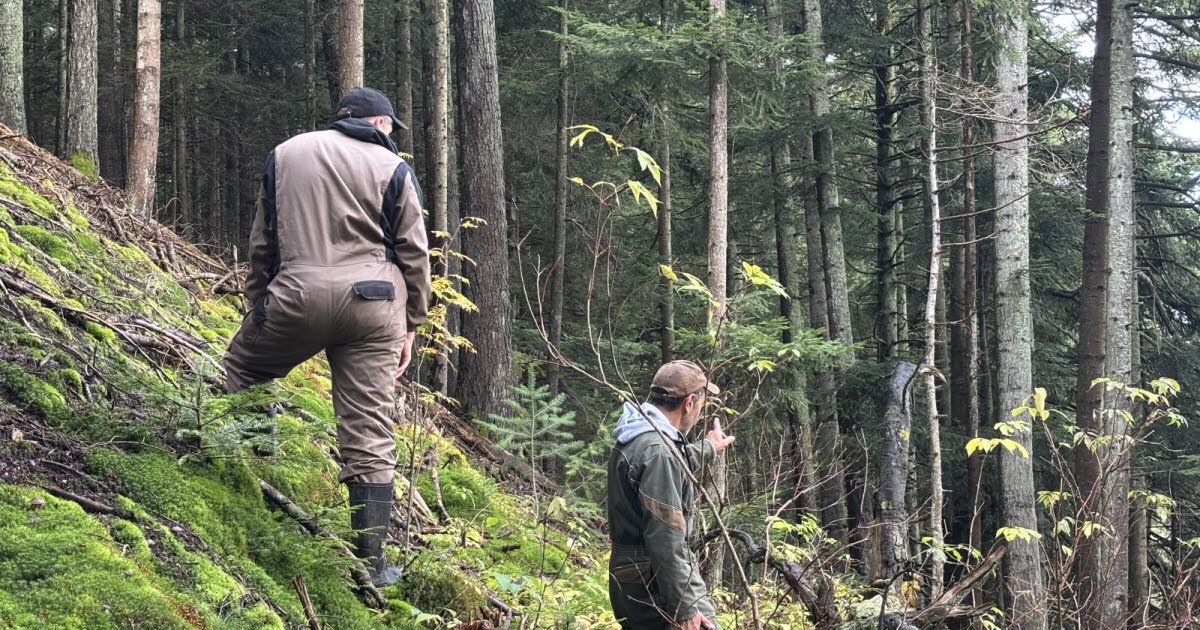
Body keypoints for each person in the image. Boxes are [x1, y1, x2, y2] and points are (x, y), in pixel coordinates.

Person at [224, 87, 430, 587]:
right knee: (368, 431)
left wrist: (258, 306)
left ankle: (251, 478)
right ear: (380, 124)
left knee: (244, 369)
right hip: (377, 304)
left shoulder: (286, 153)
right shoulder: (393, 169)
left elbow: (263, 241)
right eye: (391, 129)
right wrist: (412, 323)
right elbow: (415, 253)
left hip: (298, 293)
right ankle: (371, 566)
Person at [607, 360, 736, 629]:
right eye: (701, 404)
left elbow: (673, 461)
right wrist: (685, 604)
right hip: (655, 582)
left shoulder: (638, 433)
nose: (700, 411)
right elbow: (664, 536)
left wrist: (709, 447)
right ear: (689, 403)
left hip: (632, 577)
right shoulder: (658, 451)